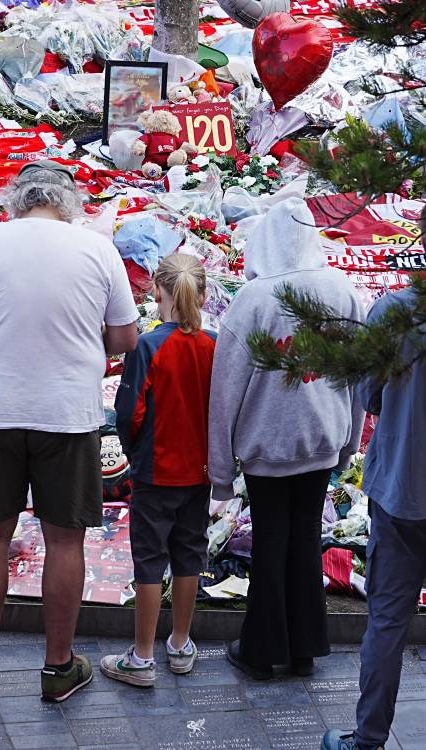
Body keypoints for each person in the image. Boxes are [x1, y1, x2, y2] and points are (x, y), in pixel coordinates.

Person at [0, 160, 139, 702]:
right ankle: (59, 667)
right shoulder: (97, 249)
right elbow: (125, 337)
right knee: (64, 538)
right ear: (68, 202)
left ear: (16, 199)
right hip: (68, 413)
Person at [209, 197, 364, 681]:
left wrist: (218, 473)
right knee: (303, 540)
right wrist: (349, 441)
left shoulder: (254, 300)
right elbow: (357, 374)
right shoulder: (341, 289)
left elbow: (224, 389)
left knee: (272, 542)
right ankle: (304, 646)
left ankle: (262, 648)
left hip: (268, 445)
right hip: (321, 439)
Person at [99, 253, 216, 688]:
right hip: (198, 470)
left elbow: (129, 410)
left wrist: (133, 449)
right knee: (190, 554)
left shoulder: (149, 345)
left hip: (154, 469)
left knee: (149, 560)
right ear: (203, 295)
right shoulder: (213, 343)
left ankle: (142, 656)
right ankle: (181, 643)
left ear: (157, 291)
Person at [322, 283, 425, 750]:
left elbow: (371, 394)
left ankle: (367, 740)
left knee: (386, 622)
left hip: (402, 491)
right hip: (399, 491)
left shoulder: (394, 311)